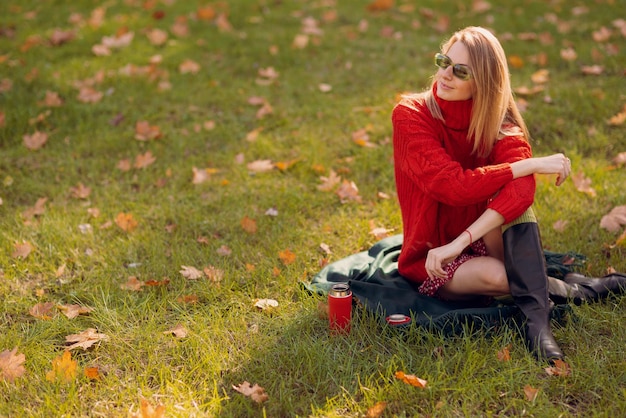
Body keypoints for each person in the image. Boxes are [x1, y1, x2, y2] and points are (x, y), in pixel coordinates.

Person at [391, 26, 625, 363]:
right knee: (502, 278)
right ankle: (581, 290)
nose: (444, 74)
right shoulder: (411, 115)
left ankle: (536, 324)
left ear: (483, 83)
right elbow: (451, 186)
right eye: (444, 61)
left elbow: (522, 191)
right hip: (434, 253)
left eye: (460, 71)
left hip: (485, 233)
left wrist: (464, 239)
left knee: (515, 199)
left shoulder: (499, 120)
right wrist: (525, 165)